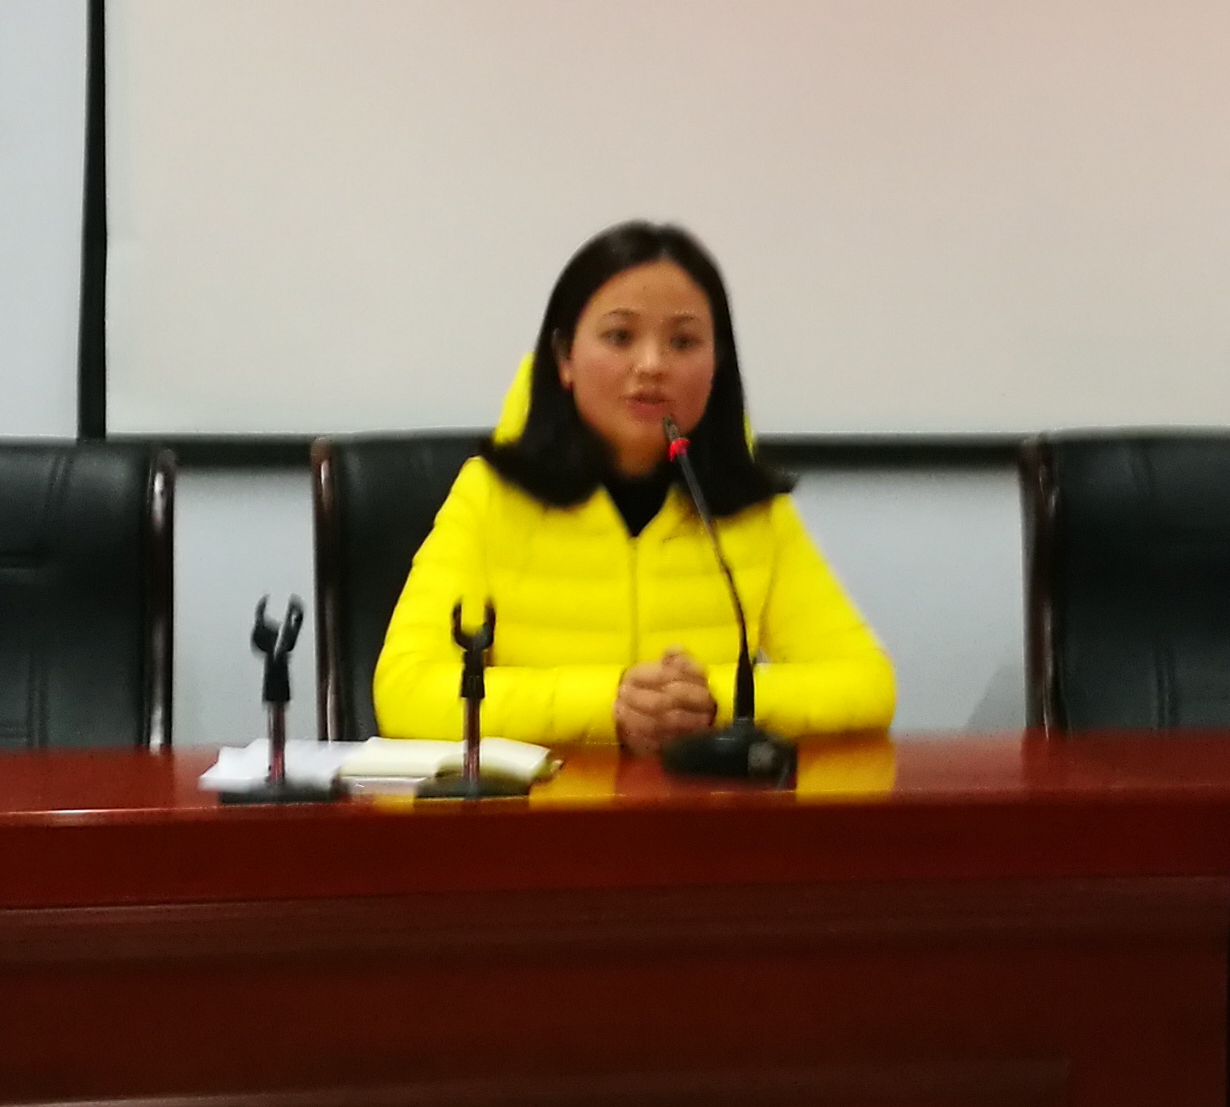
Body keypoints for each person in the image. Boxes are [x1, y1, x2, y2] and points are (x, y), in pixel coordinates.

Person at [372, 222, 895, 753]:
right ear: (564, 358)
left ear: (717, 365)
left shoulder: (750, 509)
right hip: (549, 801)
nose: (652, 365)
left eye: (683, 342)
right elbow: (406, 692)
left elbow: (866, 683)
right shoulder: (491, 496)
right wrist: (610, 702)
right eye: (620, 337)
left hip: (697, 801)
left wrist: (713, 700)